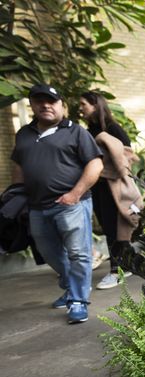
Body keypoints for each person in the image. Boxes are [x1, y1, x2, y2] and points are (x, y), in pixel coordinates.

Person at [10, 84, 103, 324]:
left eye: (51, 101)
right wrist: (18, 196)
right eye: (40, 101)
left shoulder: (75, 132)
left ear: (62, 105)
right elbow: (19, 165)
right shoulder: (24, 134)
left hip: (72, 204)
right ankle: (71, 286)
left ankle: (79, 301)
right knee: (48, 252)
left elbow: (95, 165)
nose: (46, 105)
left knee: (78, 253)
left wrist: (75, 193)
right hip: (37, 206)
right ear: (32, 105)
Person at [79, 91, 134, 289]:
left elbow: (127, 154)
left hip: (112, 185)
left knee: (114, 227)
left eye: (84, 104)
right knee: (108, 227)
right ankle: (125, 265)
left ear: (95, 105)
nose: (81, 108)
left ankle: (116, 270)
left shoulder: (112, 128)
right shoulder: (89, 130)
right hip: (97, 187)